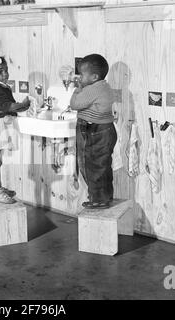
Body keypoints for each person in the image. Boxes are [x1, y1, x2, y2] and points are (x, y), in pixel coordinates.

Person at [0, 54, 30, 204]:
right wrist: (22, 105)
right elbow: (7, 105)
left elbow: (7, 104)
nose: (5, 74)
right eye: (0, 71)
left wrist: (20, 107)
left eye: (6, 70)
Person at [70, 54, 117, 209]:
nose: (79, 78)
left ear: (94, 77)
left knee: (92, 166)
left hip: (95, 130)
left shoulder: (92, 89)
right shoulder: (103, 86)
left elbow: (75, 104)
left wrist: (77, 89)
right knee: (102, 166)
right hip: (105, 129)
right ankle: (104, 197)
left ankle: (98, 199)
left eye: (81, 75)